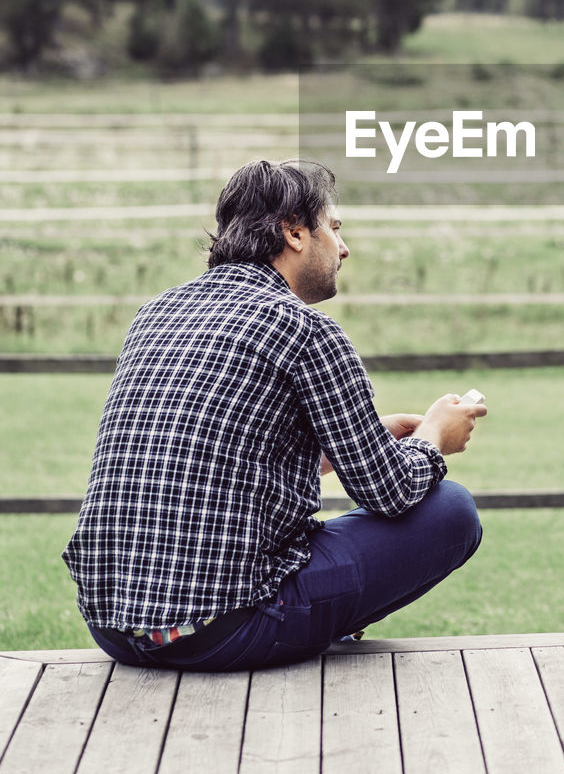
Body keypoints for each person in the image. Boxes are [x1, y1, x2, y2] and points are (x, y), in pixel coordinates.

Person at [62, 159, 486, 672]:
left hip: (114, 628)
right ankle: (317, 622)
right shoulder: (307, 330)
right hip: (223, 630)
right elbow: (390, 493)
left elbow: (210, 460)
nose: (344, 247)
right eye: (334, 228)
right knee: (452, 510)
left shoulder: (156, 311)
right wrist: (435, 435)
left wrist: (339, 454)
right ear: (294, 232)